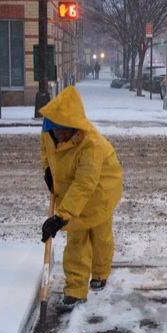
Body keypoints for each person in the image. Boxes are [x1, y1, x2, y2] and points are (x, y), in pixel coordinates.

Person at [39, 86, 124, 309]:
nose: (60, 134)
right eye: (56, 129)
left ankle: (100, 273)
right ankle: (75, 290)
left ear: (75, 126)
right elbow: (45, 150)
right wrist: (47, 169)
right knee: (76, 240)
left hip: (101, 190)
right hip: (73, 191)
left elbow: (85, 184)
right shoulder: (48, 132)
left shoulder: (91, 145)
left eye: (65, 129)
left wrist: (60, 217)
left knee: (100, 237)